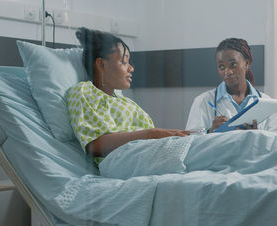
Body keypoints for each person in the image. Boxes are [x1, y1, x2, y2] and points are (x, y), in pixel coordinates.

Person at [67, 28, 189, 164]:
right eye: (124, 62)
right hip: (121, 160)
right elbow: (95, 146)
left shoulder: (126, 102)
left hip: (148, 154)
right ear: (101, 64)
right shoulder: (84, 92)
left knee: (201, 144)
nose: (131, 68)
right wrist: (152, 134)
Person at [185, 38, 277, 134]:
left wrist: (256, 136)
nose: (228, 72)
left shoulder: (266, 102)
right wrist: (210, 132)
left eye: (233, 64)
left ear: (246, 64)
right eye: (221, 67)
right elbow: (189, 143)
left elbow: (275, 144)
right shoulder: (203, 101)